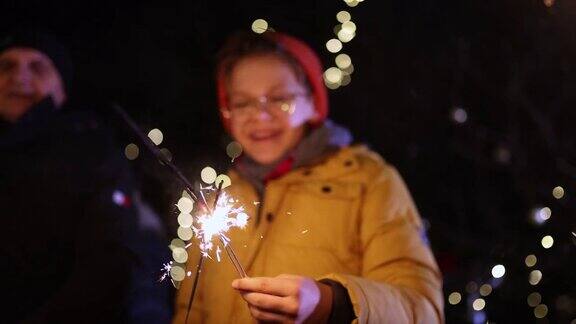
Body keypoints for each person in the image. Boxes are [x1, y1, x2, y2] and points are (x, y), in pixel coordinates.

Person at [173, 30, 443, 323]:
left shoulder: (369, 182)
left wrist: (331, 303)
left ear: (313, 102)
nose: (260, 116)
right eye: (242, 103)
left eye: (278, 98)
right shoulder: (222, 197)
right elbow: (192, 309)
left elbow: (423, 310)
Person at [0, 28, 171, 323]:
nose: (20, 77)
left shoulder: (93, 155)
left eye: (38, 67)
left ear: (62, 88)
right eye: (7, 66)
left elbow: (112, 266)